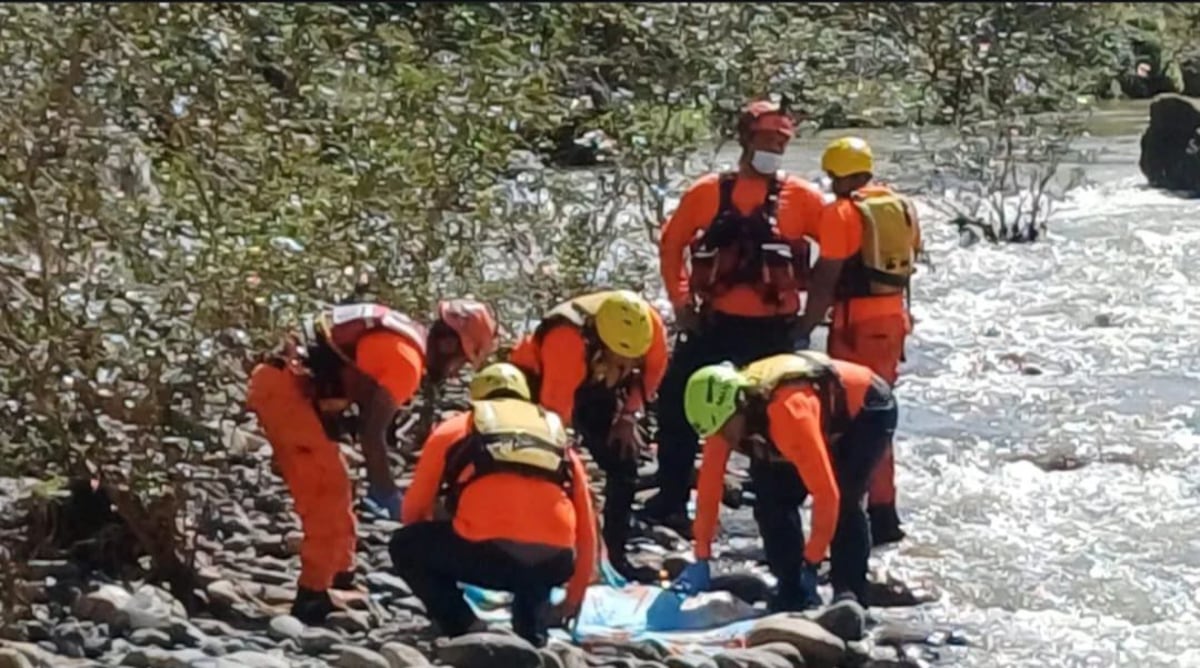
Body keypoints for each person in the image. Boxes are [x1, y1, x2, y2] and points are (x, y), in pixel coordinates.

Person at [246, 300, 498, 624]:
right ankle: (312, 595)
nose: (455, 372)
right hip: (286, 393)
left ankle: (340, 574)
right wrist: (389, 493)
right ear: (449, 344)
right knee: (325, 490)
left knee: (337, 482)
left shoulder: (402, 338)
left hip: (286, 382)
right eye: (461, 362)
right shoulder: (406, 361)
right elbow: (371, 434)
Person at [649, 99, 826, 531]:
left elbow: (836, 255)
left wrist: (813, 318)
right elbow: (672, 246)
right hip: (714, 324)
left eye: (781, 141)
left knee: (777, 416)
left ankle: (774, 503)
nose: (774, 147)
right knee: (675, 406)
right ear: (746, 138)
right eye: (766, 138)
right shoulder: (707, 192)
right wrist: (680, 301)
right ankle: (672, 496)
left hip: (775, 331)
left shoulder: (802, 197)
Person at [390, 363, 598, 647]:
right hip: (554, 563)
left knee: (405, 545)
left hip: (489, 558)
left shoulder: (457, 427)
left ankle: (464, 626)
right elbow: (587, 530)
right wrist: (575, 596)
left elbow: (413, 512)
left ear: (477, 400)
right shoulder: (556, 438)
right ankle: (531, 630)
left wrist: (443, 527)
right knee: (537, 552)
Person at [671, 352, 896, 609]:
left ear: (741, 405)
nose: (723, 438)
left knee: (846, 499)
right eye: (717, 432)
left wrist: (812, 561)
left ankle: (850, 594)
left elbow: (826, 494)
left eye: (725, 428)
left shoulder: (788, 414)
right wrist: (701, 555)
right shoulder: (721, 419)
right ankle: (790, 588)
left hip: (865, 408)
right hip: (807, 418)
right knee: (771, 501)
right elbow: (708, 488)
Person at [792, 136, 922, 546]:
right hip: (894, 320)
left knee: (854, 418)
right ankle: (882, 510)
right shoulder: (901, 206)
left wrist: (803, 326)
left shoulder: (842, 213)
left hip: (856, 328)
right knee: (879, 412)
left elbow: (827, 278)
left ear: (835, 176)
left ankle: (860, 513)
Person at [508, 290, 667, 583]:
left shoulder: (650, 328)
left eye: (632, 357)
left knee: (624, 460)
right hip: (540, 381)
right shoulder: (566, 342)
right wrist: (574, 474)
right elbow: (554, 424)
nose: (629, 360)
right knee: (538, 464)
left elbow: (652, 373)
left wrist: (628, 416)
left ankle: (615, 556)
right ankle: (533, 545)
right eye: (621, 355)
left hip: (599, 380)